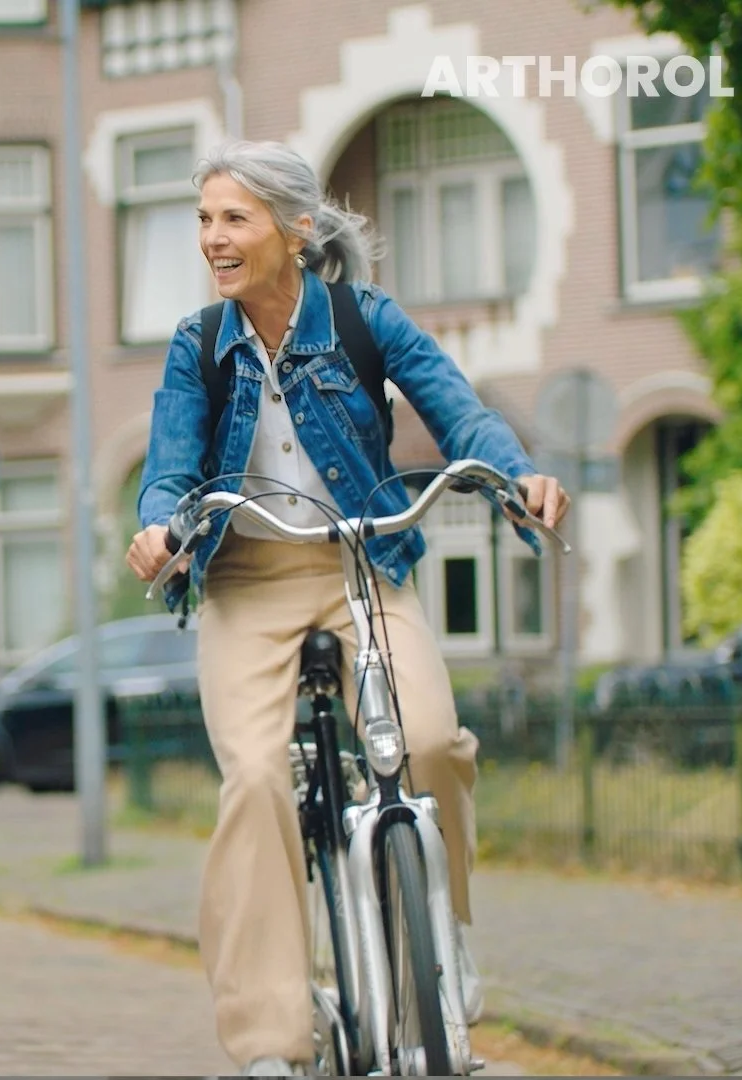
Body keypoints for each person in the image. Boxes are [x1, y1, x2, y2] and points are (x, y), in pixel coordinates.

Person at [125, 140, 570, 1077]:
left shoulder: (367, 321)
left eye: (233, 218)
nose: (213, 238)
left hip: (362, 565)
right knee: (253, 782)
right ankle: (268, 1043)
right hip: (247, 581)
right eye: (203, 220)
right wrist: (161, 528)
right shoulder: (198, 344)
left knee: (435, 743)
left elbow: (460, 410)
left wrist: (515, 473)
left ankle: (441, 939)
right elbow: (170, 463)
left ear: (295, 229)